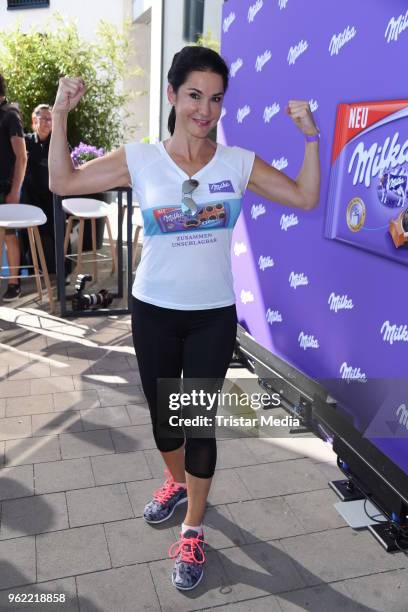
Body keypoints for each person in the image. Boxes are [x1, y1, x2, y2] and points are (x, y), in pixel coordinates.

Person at [49, 46, 320, 591]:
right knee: (163, 423)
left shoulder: (237, 164)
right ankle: (178, 484)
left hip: (210, 318)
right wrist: (58, 116)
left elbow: (305, 196)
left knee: (197, 424)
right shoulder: (141, 158)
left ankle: (193, 527)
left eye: (216, 99)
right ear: (172, 96)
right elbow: (61, 181)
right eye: (194, 95)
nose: (205, 109)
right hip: (153, 311)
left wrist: (311, 139)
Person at [21, 104, 71, 277]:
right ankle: (24, 274)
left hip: (52, 196)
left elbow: (68, 164)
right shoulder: (25, 141)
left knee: (59, 231)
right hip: (30, 197)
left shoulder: (58, 142)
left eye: (50, 119)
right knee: (24, 233)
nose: (47, 123)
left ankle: (63, 272)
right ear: (34, 121)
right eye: (44, 118)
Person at [0, 72, 27, 302]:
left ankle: (14, 284)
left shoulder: (10, 115)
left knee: (8, 236)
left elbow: (22, 157)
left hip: (5, 188)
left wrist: (15, 190)